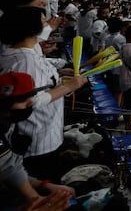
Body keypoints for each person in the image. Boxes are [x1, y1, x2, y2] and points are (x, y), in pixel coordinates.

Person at [0, 7, 87, 181]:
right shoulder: (25, 61)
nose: (47, 24)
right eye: (43, 21)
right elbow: (28, 101)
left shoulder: (16, 54)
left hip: (38, 137)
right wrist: (69, 87)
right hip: (38, 141)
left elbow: (40, 85)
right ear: (30, 27)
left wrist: (61, 76)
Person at [0, 71, 76, 210]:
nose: (30, 103)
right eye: (26, 101)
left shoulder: (8, 122)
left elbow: (9, 167)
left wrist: (43, 186)